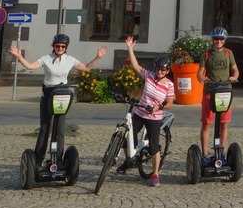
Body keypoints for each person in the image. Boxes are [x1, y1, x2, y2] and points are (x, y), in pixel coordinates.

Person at [9, 33, 107, 165]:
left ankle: (58, 159)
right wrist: (19, 56)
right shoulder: (46, 58)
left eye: (62, 46)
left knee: (60, 129)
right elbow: (30, 66)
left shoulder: (69, 59)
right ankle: (38, 159)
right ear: (53, 46)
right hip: (48, 93)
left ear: (66, 48)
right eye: (57, 46)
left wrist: (98, 57)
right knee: (45, 128)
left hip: (62, 94)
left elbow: (86, 68)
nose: (60, 48)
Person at [122, 36, 175, 186]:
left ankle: (155, 174)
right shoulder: (149, 76)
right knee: (127, 137)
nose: (159, 72)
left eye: (163, 70)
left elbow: (170, 103)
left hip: (154, 116)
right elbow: (136, 66)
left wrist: (160, 107)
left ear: (167, 71)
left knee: (153, 146)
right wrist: (130, 48)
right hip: (140, 113)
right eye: (158, 69)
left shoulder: (169, 85)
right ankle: (129, 160)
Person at [197, 26, 239, 159]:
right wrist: (202, 78)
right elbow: (199, 72)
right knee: (206, 123)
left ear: (224, 40)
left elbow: (235, 70)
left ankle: (220, 152)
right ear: (213, 40)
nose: (218, 41)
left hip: (225, 92)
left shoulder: (228, 53)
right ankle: (204, 153)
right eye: (216, 39)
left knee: (224, 123)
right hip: (210, 91)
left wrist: (234, 77)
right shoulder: (207, 54)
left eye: (221, 39)